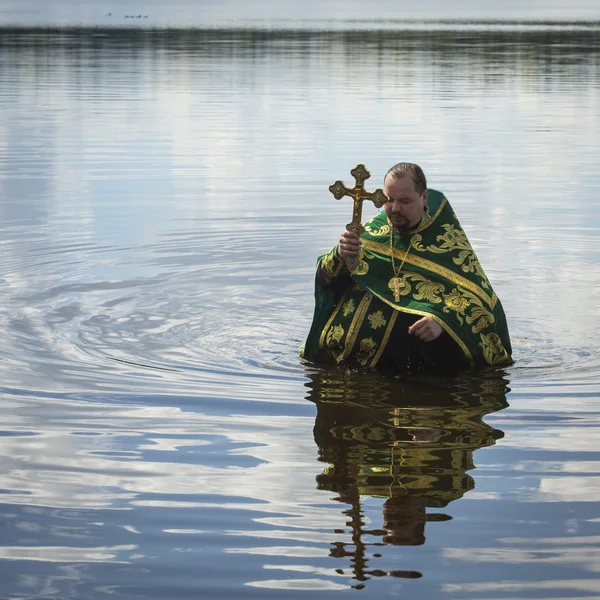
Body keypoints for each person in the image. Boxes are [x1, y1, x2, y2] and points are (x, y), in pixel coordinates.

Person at [302, 162, 512, 371]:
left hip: (407, 366)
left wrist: (442, 322)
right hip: (340, 356)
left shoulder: (447, 242)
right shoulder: (372, 232)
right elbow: (327, 280)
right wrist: (339, 254)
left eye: (404, 201)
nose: (395, 209)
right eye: (389, 200)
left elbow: (480, 305)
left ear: (424, 198)